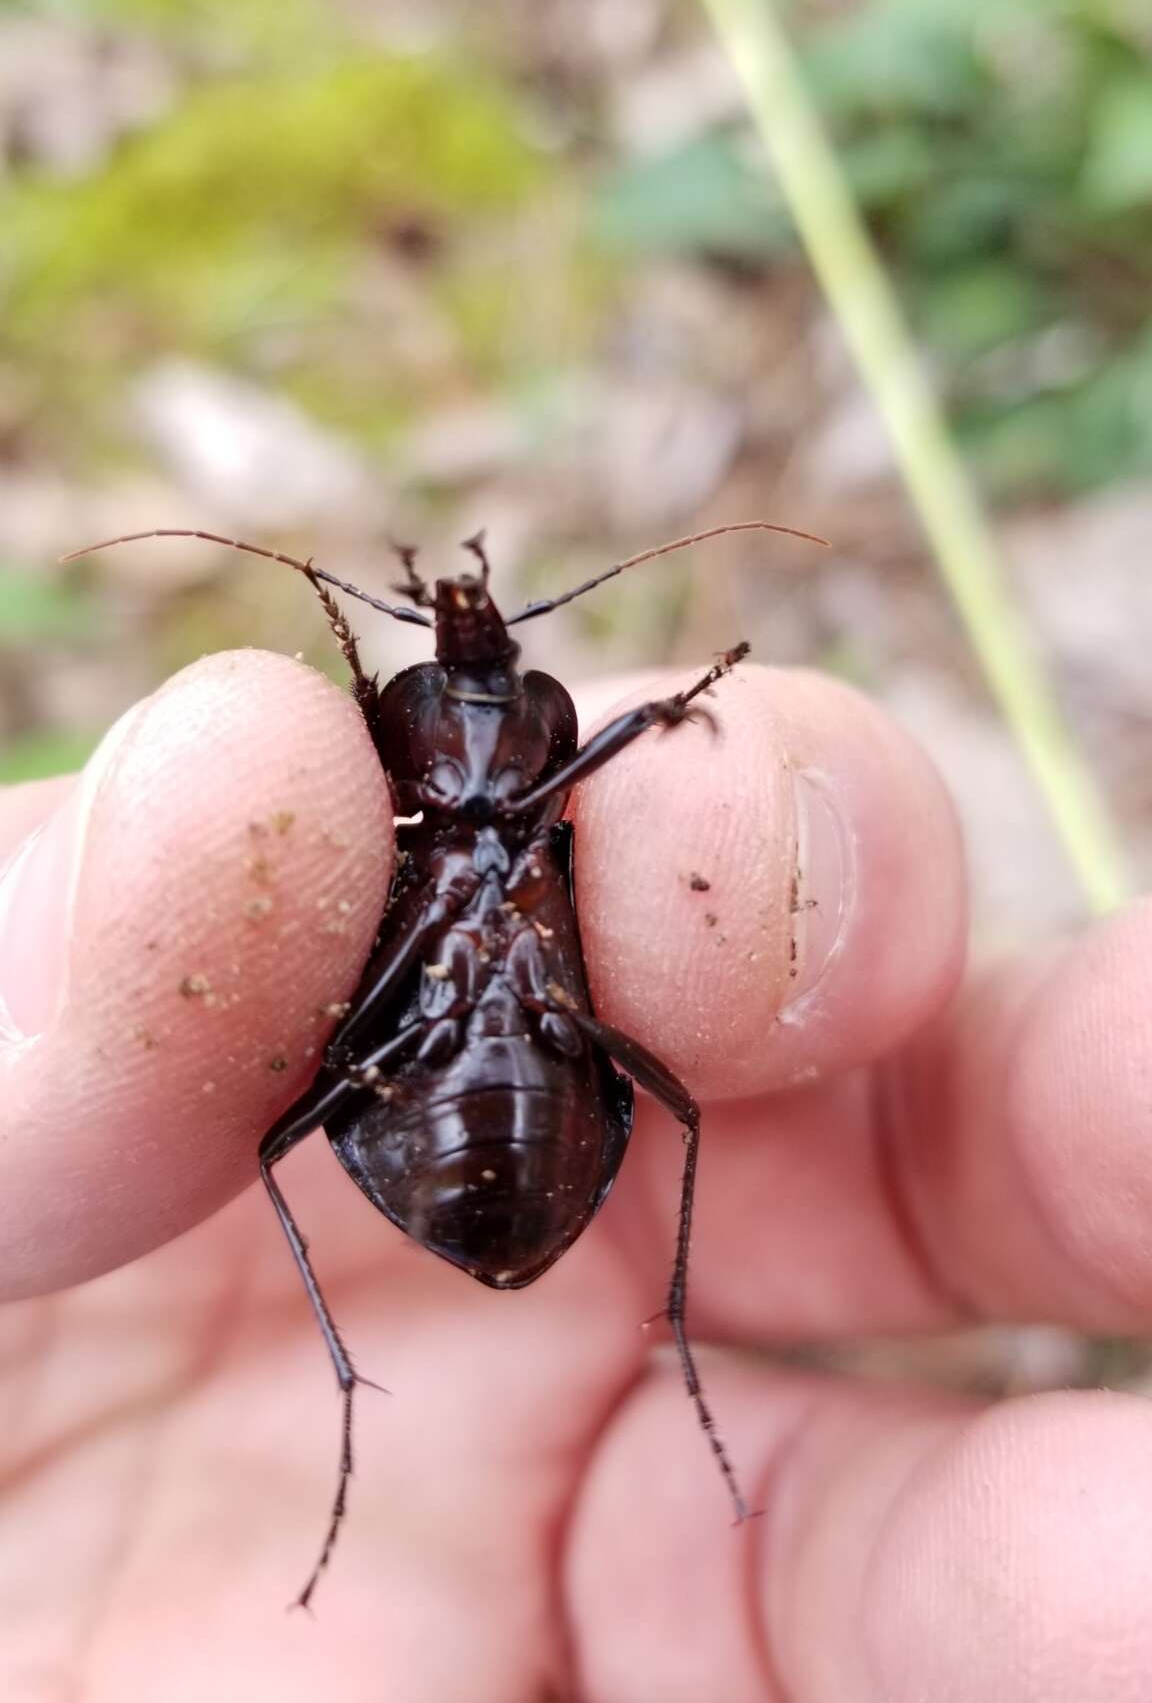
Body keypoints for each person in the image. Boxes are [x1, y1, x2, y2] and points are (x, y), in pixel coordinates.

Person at [0, 647, 1148, 1701]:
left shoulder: (565, 820)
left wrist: (670, 712)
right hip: (440, 1107)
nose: (484, 736)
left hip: (504, 1093)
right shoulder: (387, 833)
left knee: (681, 1071)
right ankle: (355, 1397)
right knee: (282, 1133)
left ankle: (677, 1339)